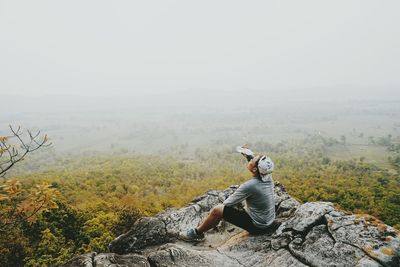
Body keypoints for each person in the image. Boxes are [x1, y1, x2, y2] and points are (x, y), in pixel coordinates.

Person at [179, 147, 276, 242]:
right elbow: (257, 165)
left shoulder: (250, 186)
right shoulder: (267, 175)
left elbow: (226, 205)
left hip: (257, 227)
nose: (250, 161)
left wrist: (212, 215)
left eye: (252, 161)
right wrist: (248, 155)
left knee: (217, 210)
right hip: (268, 221)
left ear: (255, 169)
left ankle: (196, 233)